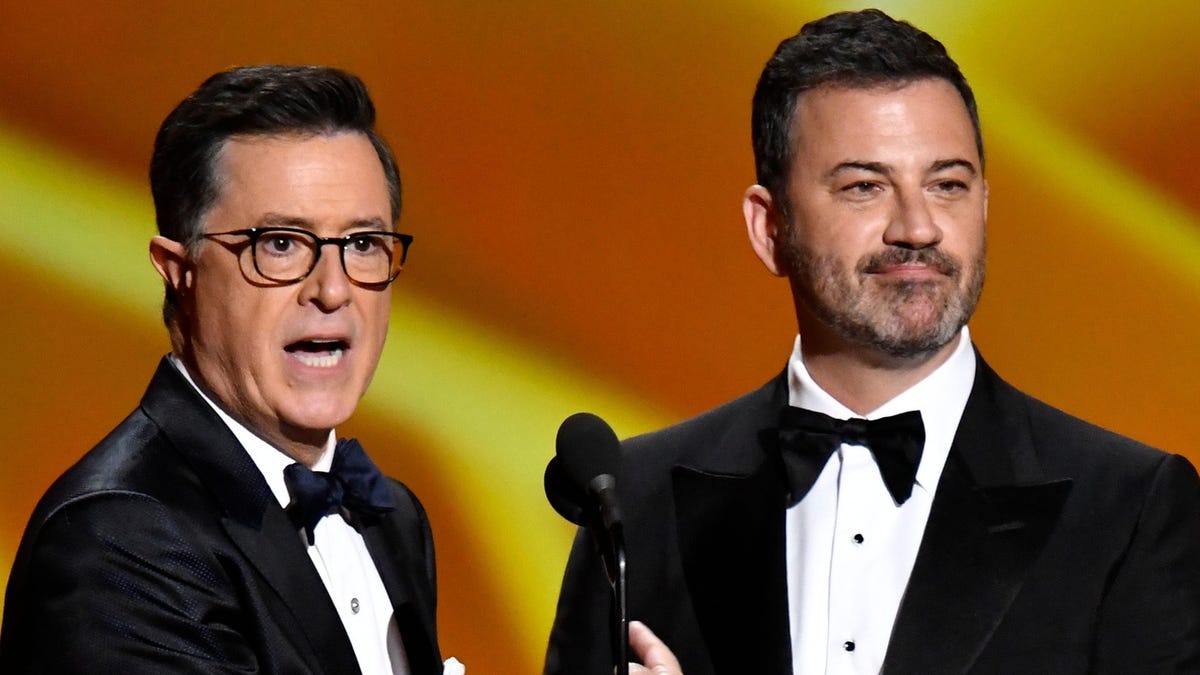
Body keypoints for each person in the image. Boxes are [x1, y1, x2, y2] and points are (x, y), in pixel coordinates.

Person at [545, 9, 1200, 675]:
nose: (917, 227)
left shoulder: (1129, 510)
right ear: (770, 228)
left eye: (947, 185)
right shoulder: (631, 501)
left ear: (983, 206)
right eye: (864, 187)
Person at [0, 65, 446, 674]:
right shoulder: (118, 540)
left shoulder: (393, 517)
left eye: (363, 244)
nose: (333, 290)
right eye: (282, 243)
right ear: (177, 269)